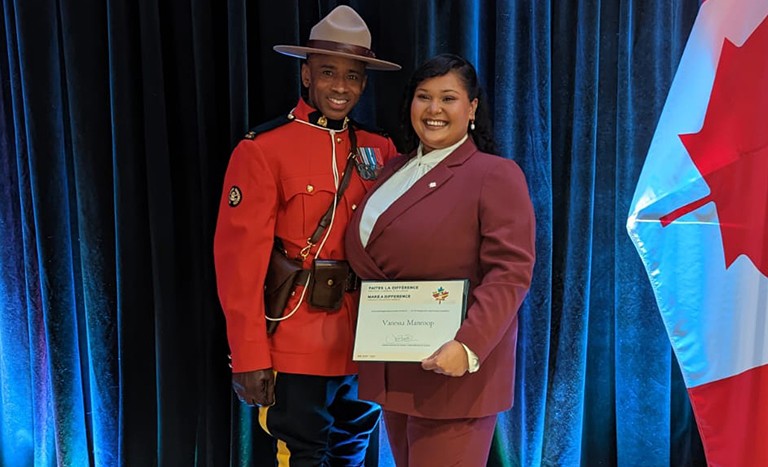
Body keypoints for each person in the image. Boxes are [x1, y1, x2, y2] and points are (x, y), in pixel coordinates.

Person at [213, 6, 400, 466]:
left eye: (353, 76)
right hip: (297, 338)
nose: (341, 86)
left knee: (353, 453)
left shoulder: (380, 149)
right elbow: (239, 266)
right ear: (305, 75)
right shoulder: (263, 150)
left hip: (365, 339)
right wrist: (249, 354)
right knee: (302, 456)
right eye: (329, 72)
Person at [344, 54, 536, 467]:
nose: (433, 110)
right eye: (423, 97)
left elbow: (510, 274)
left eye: (448, 98)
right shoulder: (393, 169)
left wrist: (468, 346)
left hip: (453, 374)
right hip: (395, 367)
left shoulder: (495, 174)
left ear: (472, 108)